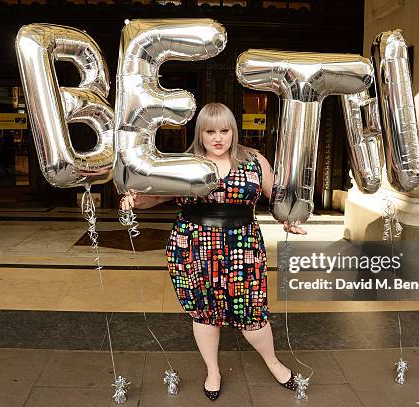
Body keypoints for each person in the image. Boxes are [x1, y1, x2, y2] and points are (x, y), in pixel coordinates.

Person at [120, 102, 307, 401]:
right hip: (193, 245)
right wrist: (132, 200)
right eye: (210, 131)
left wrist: (289, 220)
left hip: (242, 246)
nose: (218, 138)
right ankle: (213, 370)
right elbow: (153, 197)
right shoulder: (184, 163)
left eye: (224, 130)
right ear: (200, 133)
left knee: (251, 312)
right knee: (205, 312)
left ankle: (273, 363)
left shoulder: (255, 160)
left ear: (234, 131)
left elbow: (278, 200)